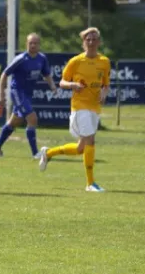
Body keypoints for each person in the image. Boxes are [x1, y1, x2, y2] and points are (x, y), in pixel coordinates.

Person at [38, 27, 110, 192]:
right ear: (83, 43)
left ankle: (48, 153)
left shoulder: (104, 62)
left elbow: (106, 84)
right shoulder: (76, 61)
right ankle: (90, 183)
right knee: (91, 141)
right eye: (88, 40)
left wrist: (104, 93)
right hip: (79, 107)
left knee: (81, 148)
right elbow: (62, 82)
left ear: (98, 42)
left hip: (94, 107)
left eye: (94, 39)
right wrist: (73, 85)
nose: (91, 42)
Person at [0, 33, 57, 159]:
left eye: (35, 43)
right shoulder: (21, 59)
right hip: (17, 92)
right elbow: (4, 74)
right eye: (30, 43)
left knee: (14, 122)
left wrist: (52, 86)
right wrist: (1, 94)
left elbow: (46, 74)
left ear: (39, 45)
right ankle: (35, 153)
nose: (33, 45)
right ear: (27, 44)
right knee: (32, 119)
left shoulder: (42, 59)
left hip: (27, 94)